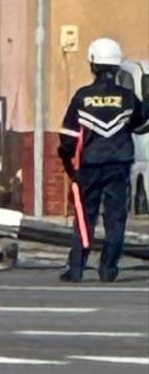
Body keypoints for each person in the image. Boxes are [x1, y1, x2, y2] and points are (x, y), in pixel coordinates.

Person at [57, 37, 149, 283]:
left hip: (88, 166)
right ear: (117, 66)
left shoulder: (82, 97)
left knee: (85, 217)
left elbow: (67, 139)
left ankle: (76, 268)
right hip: (119, 165)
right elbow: (141, 122)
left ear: (93, 65)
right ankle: (108, 269)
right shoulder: (128, 98)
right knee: (115, 218)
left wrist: (69, 166)